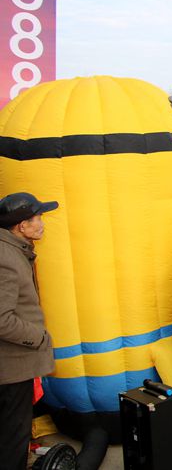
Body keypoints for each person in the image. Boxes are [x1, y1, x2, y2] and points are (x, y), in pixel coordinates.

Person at [0, 193, 57, 470]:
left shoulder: (14, 251)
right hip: (11, 370)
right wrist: (39, 337)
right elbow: (2, 319)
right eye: (38, 218)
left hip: (14, 368)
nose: (42, 223)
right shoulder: (6, 258)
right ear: (22, 226)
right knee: (13, 439)